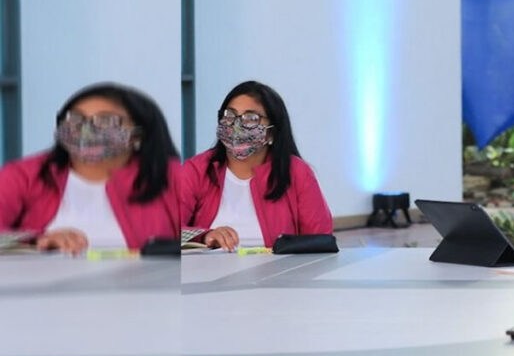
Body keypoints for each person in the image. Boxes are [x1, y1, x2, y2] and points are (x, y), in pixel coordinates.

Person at [0, 83, 180, 254]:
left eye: (105, 121)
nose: (85, 129)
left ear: (138, 136)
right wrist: (36, 241)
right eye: (75, 118)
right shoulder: (22, 175)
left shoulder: (172, 177)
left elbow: (193, 236)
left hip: (149, 277)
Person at [179, 81, 333, 250]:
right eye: (230, 115)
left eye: (251, 119)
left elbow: (320, 241)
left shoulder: (297, 172)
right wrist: (204, 236)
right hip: (209, 266)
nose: (236, 126)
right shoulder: (197, 170)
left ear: (271, 133)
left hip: (278, 267)